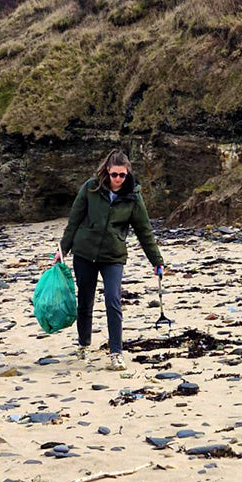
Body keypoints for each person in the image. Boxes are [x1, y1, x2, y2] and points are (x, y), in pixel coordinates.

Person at [54, 149, 164, 372]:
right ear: (107, 171)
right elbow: (74, 220)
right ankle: (83, 344)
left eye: (122, 175)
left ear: (127, 173)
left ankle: (116, 353)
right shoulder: (90, 188)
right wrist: (62, 250)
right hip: (84, 253)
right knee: (85, 301)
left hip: (113, 256)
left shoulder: (133, 196)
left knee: (113, 300)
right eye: (114, 174)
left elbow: (144, 230)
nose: (118, 179)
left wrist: (156, 260)